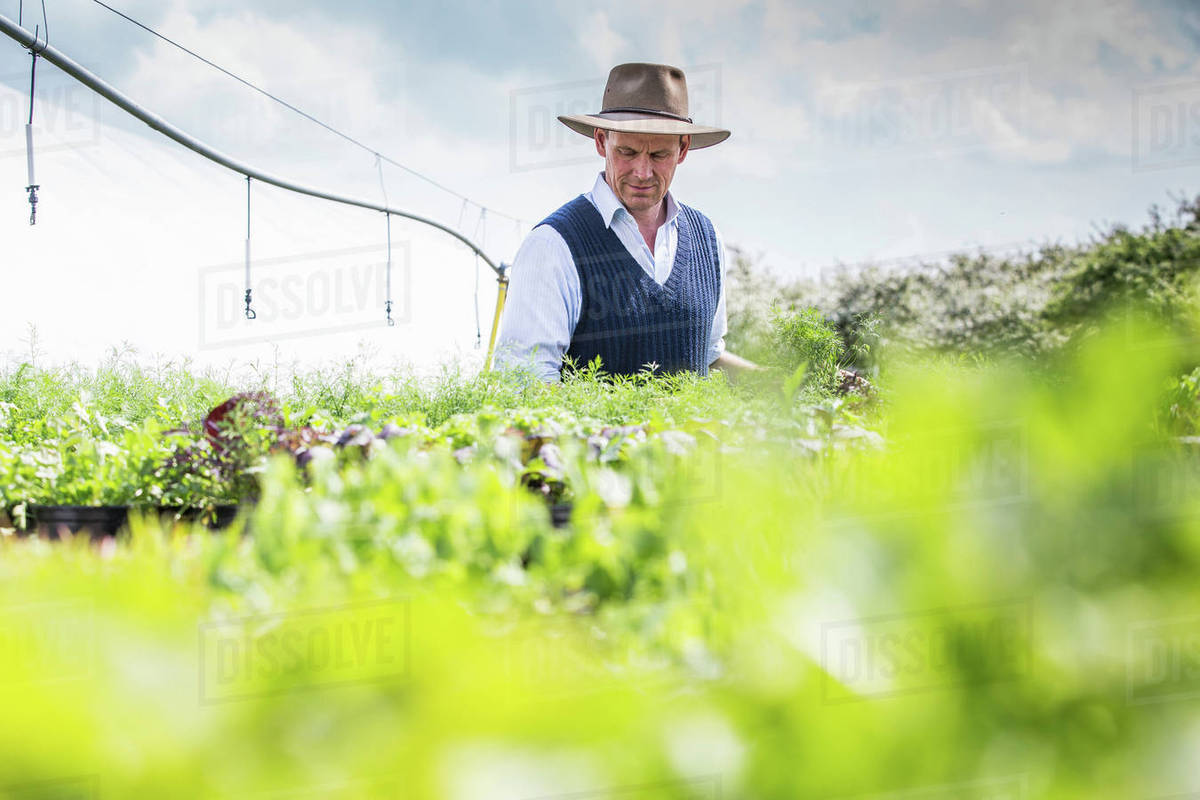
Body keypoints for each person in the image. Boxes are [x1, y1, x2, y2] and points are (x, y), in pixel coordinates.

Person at [495, 62, 759, 382]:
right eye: (627, 152)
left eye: (659, 155)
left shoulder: (706, 239)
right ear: (600, 141)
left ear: (683, 149)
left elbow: (708, 354)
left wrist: (774, 380)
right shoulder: (554, 245)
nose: (643, 172)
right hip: (591, 435)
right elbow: (524, 379)